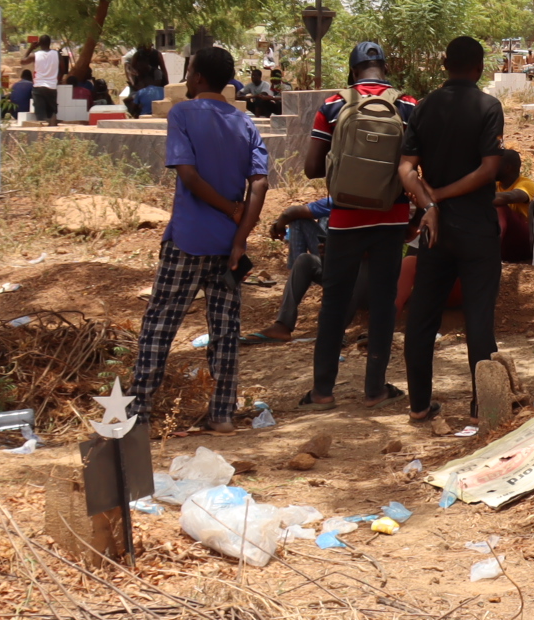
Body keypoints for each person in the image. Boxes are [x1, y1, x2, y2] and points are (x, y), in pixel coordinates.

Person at [127, 46, 268, 433]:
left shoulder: (182, 114)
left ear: (199, 77)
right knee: (225, 330)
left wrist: (228, 207)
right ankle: (222, 413)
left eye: (189, 71)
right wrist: (241, 236)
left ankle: (139, 414)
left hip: (187, 240)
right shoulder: (245, 123)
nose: (187, 78)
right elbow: (259, 184)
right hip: (227, 248)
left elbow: (188, 175)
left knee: (160, 325)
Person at [301, 42, 419, 409]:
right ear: (385, 68)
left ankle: (322, 391)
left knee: (334, 302)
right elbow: (417, 167)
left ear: (353, 71)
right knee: (384, 302)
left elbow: (311, 168)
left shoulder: (333, 105)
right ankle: (375, 389)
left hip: (345, 218)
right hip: (392, 217)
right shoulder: (408, 105)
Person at [397, 37, 507, 422]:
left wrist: (430, 202)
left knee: (423, 316)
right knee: (479, 318)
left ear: (445, 64)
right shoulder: (488, 107)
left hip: (435, 229)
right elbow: (489, 170)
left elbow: (406, 167)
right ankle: (482, 408)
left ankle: (418, 405)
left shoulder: (424, 107)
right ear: (479, 68)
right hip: (476, 226)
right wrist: (440, 196)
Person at [248, 195, 332, 343]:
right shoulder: (336, 198)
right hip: (332, 260)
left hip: (351, 268)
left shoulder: (343, 198)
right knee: (303, 258)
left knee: (296, 218)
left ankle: (296, 277)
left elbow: (290, 213)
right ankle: (283, 324)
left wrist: (278, 226)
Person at [29, 36, 61, 123]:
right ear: (49, 43)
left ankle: (41, 129)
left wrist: (31, 48)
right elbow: (62, 68)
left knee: (40, 116)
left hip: (38, 87)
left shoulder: (35, 55)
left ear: (39, 43)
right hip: (51, 87)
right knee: (52, 115)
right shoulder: (57, 54)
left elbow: (22, 61)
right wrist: (58, 79)